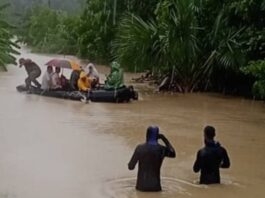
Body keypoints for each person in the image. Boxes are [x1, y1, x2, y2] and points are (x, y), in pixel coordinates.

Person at [128, 126, 176, 192]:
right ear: (157, 136)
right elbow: (173, 154)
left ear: (147, 135)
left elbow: (130, 167)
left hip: (141, 187)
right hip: (156, 187)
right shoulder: (161, 149)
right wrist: (164, 139)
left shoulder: (140, 148)